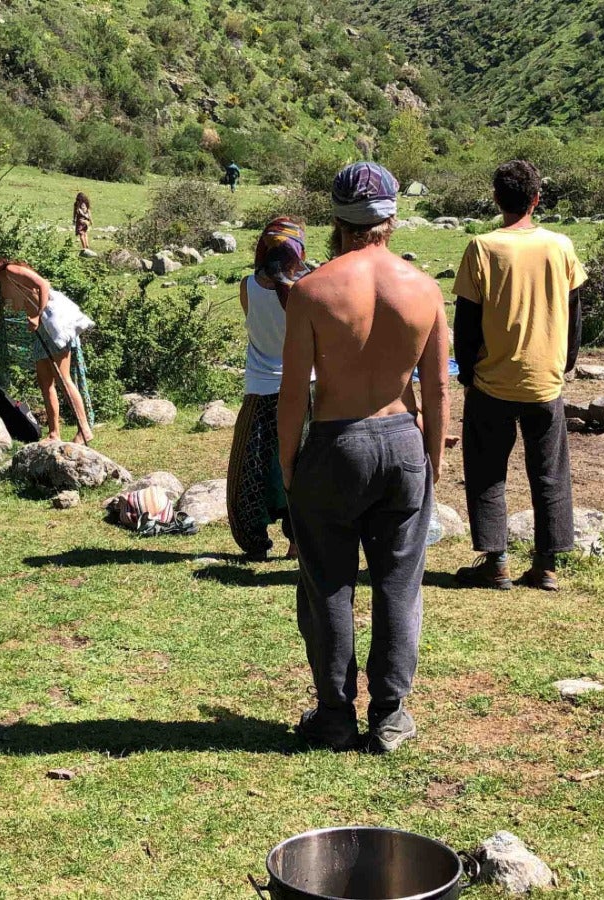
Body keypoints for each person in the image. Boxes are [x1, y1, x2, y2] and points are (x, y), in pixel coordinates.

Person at [279, 162, 448, 754]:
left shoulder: (311, 290)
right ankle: (391, 716)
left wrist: (288, 464)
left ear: (338, 220)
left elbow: (294, 391)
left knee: (328, 584)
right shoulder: (423, 289)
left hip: (335, 442)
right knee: (399, 584)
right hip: (402, 438)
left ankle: (333, 716)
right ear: (391, 219)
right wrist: (434, 458)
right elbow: (438, 389)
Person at [452, 160, 584, 593]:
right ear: (536, 198)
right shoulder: (560, 246)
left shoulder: (482, 247)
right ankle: (546, 564)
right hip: (545, 381)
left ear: (496, 199)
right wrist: (564, 362)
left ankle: (497, 560)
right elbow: (575, 313)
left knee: (488, 470)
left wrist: (467, 371)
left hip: (491, 381)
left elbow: (467, 321)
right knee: (550, 472)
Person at [227, 217, 308, 561]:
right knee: (298, 465)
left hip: (259, 389)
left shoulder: (247, 286)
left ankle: (255, 541)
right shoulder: (306, 289)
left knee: (254, 468)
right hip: (303, 389)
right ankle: (298, 542)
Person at [0, 251, 95, 444]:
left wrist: (37, 315)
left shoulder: (11, 270)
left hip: (52, 325)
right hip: (40, 332)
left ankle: (84, 430)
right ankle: (54, 434)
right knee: (45, 384)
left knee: (63, 379)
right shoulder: (0, 284)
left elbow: (43, 284)